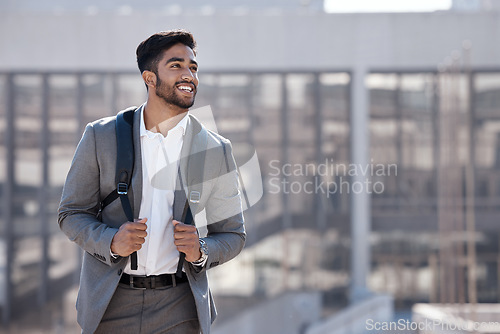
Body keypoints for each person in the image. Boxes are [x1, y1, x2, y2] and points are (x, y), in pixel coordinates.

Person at [58, 29, 246, 334]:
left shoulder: (215, 149)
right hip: (110, 304)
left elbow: (233, 235)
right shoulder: (100, 136)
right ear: (149, 78)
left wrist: (200, 250)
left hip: (180, 308)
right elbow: (71, 214)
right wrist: (111, 242)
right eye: (176, 66)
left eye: (193, 67)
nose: (188, 75)